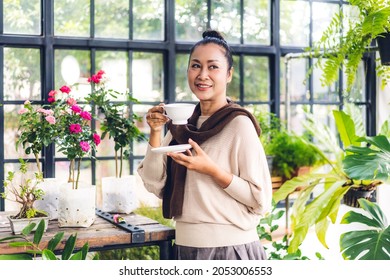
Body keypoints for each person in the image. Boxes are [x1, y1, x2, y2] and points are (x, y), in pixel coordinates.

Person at [137, 30, 272, 260]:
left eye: (213, 67)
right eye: (196, 66)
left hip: (230, 251)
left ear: (229, 74)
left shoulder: (239, 124)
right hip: (185, 248)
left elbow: (261, 200)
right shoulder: (184, 125)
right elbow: (154, 183)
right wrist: (156, 131)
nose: (202, 75)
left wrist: (211, 170)